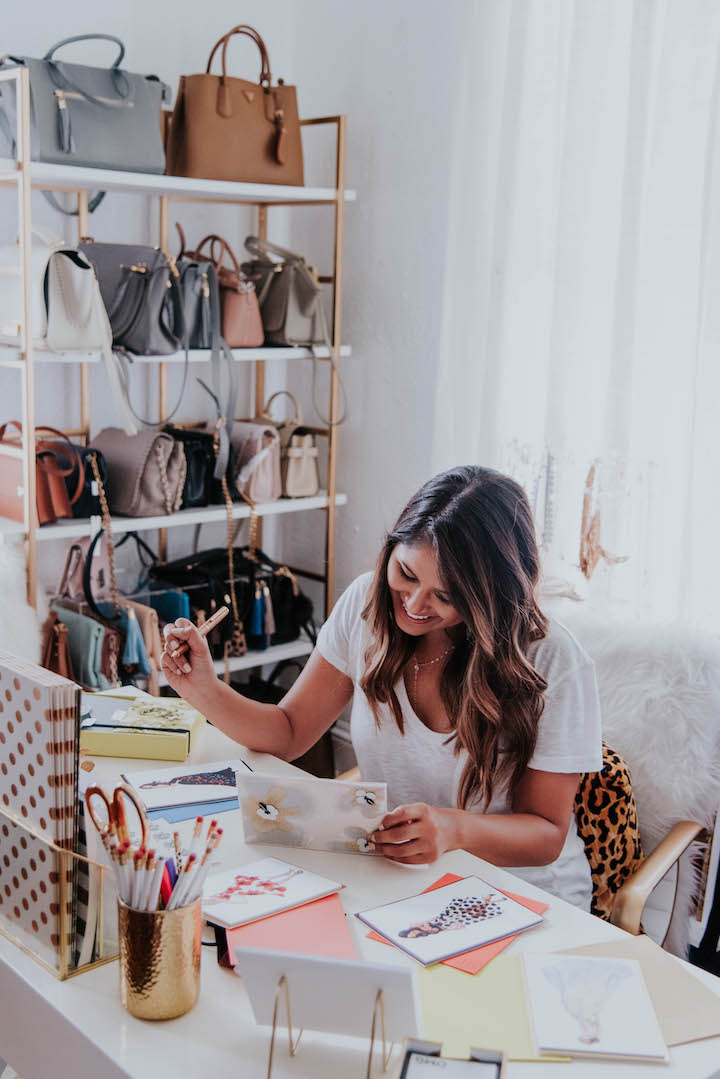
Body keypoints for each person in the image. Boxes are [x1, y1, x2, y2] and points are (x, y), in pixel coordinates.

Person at [160, 466, 603, 909]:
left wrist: (453, 831)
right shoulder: (365, 606)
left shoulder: (550, 659)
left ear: (491, 596)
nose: (413, 604)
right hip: (404, 881)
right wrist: (202, 686)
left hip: (524, 897)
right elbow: (289, 732)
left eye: (446, 596)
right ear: (392, 547)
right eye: (407, 573)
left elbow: (545, 833)